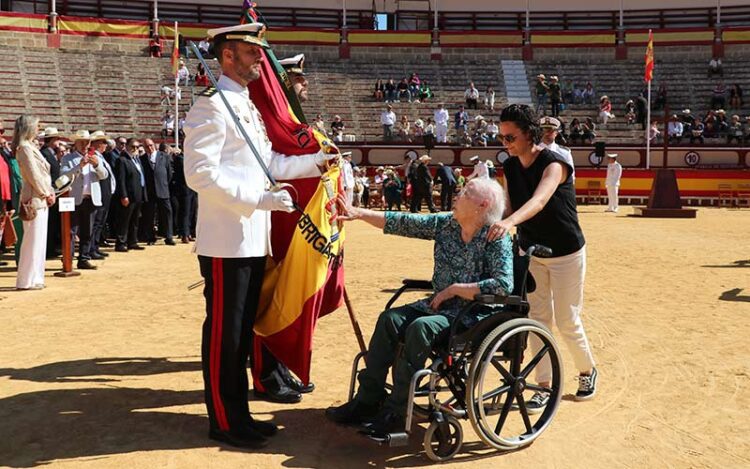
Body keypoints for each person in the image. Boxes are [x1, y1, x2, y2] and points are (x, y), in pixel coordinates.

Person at [183, 22, 334, 448]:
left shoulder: (244, 105)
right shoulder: (211, 107)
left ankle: (240, 414)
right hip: (226, 240)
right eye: (252, 52)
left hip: (251, 239)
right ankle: (224, 421)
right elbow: (200, 175)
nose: (259, 60)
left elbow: (267, 162)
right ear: (228, 55)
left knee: (243, 330)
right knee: (225, 335)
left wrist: (316, 164)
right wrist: (260, 200)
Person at [326, 177, 514, 437]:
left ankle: (397, 409)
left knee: (420, 328)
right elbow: (402, 222)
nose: (457, 194)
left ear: (483, 204)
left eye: (466, 192)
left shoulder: (496, 236)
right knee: (389, 319)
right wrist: (358, 213)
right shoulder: (447, 224)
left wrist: (456, 288)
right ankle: (368, 400)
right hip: (439, 306)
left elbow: (503, 285)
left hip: (472, 315)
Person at [487, 104, 597, 414]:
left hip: (565, 252)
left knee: (567, 319)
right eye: (502, 138)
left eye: (510, 137)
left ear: (529, 133)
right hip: (532, 251)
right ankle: (543, 386)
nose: (505, 144)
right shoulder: (510, 167)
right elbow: (508, 207)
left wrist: (508, 224)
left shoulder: (555, 164)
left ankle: (587, 371)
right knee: (537, 320)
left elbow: (538, 200)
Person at [13, 115, 54, 290]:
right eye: (37, 126)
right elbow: (33, 175)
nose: (39, 128)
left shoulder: (30, 147)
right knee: (32, 240)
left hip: (40, 198)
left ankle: (36, 277)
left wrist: (48, 192)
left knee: (39, 241)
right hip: (34, 199)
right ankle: (25, 280)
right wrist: (46, 193)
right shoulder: (24, 148)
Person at [60, 130, 109, 270]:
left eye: (86, 142)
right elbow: (63, 176)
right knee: (70, 231)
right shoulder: (68, 158)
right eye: (81, 142)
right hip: (73, 199)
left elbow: (104, 175)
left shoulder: (95, 157)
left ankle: (84, 258)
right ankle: (67, 259)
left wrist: (96, 165)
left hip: (90, 198)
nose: (84, 145)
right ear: (75, 143)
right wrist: (79, 166)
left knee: (87, 231)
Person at [139, 138, 174, 246]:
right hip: (149, 191)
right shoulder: (142, 159)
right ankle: (150, 237)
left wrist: (163, 184)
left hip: (163, 190)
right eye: (147, 146)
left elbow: (169, 174)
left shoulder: (164, 157)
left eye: (151, 145)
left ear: (154, 145)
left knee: (167, 213)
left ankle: (168, 236)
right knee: (149, 215)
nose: (149, 148)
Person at [114, 138, 147, 252]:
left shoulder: (137, 160)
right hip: (128, 195)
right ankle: (121, 243)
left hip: (138, 194)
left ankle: (132, 241)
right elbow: (121, 180)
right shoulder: (122, 160)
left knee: (135, 220)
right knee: (125, 220)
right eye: (133, 146)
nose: (135, 149)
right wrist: (124, 195)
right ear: (127, 146)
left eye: (137, 147)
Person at [88, 131, 116, 260]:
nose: (105, 145)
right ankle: (91, 248)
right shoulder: (94, 156)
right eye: (103, 142)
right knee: (97, 222)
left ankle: (95, 246)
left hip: (105, 192)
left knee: (100, 221)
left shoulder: (101, 156)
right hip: (100, 191)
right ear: (98, 143)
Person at [39, 127, 63, 258]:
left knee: (54, 222)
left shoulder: (51, 153)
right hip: (51, 190)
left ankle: (52, 247)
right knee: (50, 223)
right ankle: (48, 250)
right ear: (51, 140)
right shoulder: (44, 153)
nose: (59, 141)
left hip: (56, 191)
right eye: (57, 138)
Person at [539, 116, 575, 181]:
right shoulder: (533, 151)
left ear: (556, 133)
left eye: (550, 131)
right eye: (544, 131)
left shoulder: (564, 153)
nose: (546, 134)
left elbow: (571, 178)